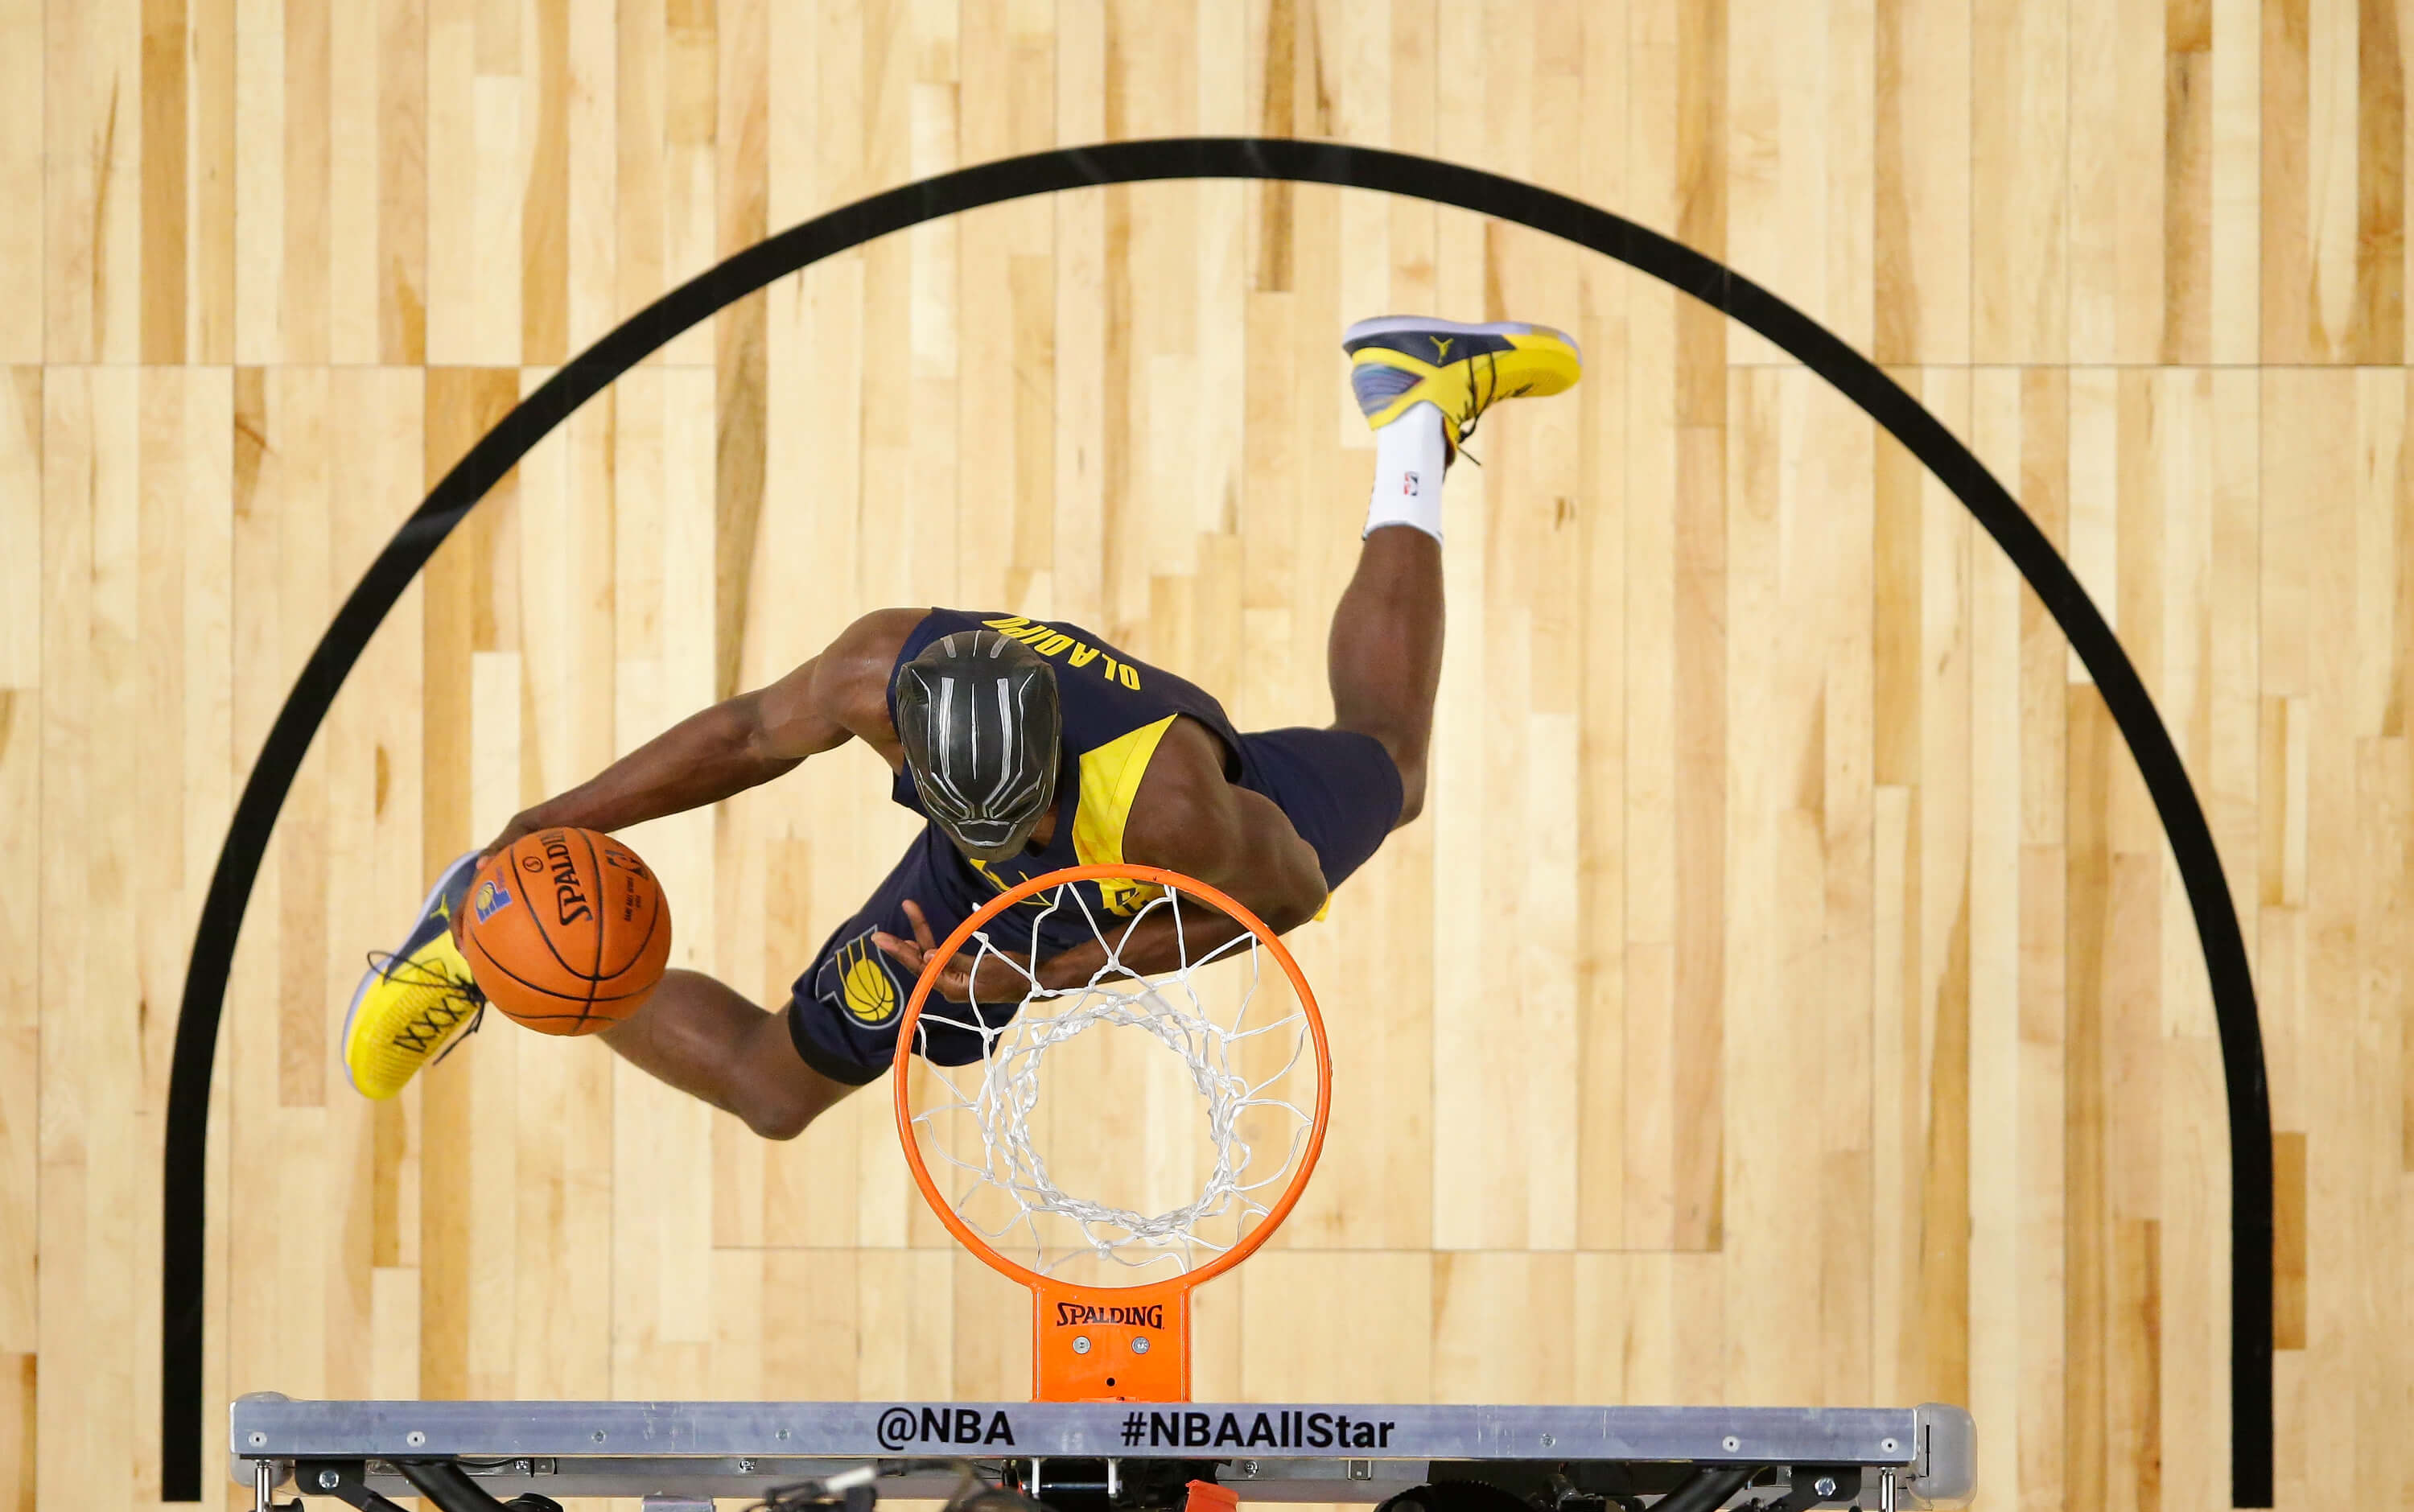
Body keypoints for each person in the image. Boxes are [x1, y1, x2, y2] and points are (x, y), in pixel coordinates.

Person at [340, 315, 1580, 1138]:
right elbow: (743, 734)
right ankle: (484, 936)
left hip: (1130, 866)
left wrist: (1036, 969)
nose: (1004, 836)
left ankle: (1414, 415)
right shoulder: (882, 669)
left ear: (1051, 766)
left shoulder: (1178, 815)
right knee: (776, 1091)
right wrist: (552, 824)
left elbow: (1286, 900)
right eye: (964, 810)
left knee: (1396, 770)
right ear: (912, 750)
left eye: (1023, 816)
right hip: (990, 894)